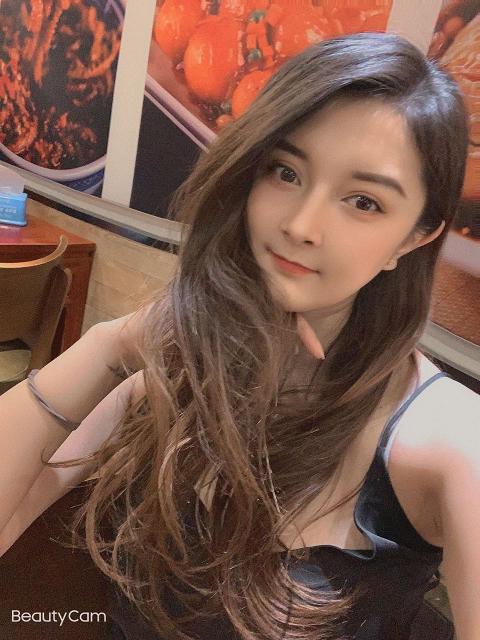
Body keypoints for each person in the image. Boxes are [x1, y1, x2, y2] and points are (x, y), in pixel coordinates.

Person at [1, 31, 479, 640]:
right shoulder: (167, 381)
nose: (302, 225)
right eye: (285, 171)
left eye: (363, 201)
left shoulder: (449, 442)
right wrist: (110, 345)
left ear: (415, 236)